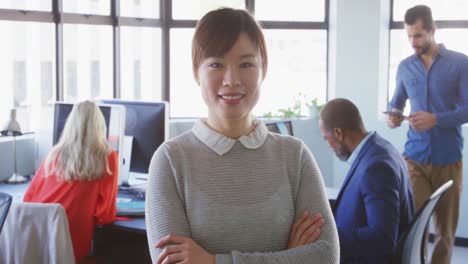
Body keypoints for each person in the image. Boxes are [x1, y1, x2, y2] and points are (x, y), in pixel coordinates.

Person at [145, 8, 339, 264]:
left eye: (246, 64)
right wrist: (288, 257)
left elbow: (325, 256)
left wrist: (213, 261)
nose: (232, 79)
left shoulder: (294, 156)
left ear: (263, 70)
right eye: (216, 64)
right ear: (196, 72)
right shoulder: (170, 161)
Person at [387, 5, 468, 264]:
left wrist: (436, 120)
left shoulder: (460, 63)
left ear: (433, 30)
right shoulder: (404, 67)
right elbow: (396, 103)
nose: (413, 42)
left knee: (445, 232)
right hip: (414, 158)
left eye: (419, 35)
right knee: (414, 225)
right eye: (409, 36)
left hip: (449, 159)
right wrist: (393, 116)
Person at [319, 98, 415, 263]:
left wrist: (326, 237)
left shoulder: (376, 169)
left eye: (325, 138)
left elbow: (382, 238)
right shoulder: (381, 148)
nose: (328, 145)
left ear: (338, 133)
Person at [24, 100, 118, 263]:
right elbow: (105, 216)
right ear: (100, 125)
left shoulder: (54, 153)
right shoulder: (106, 157)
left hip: (37, 240)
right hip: (71, 246)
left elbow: (28, 199)